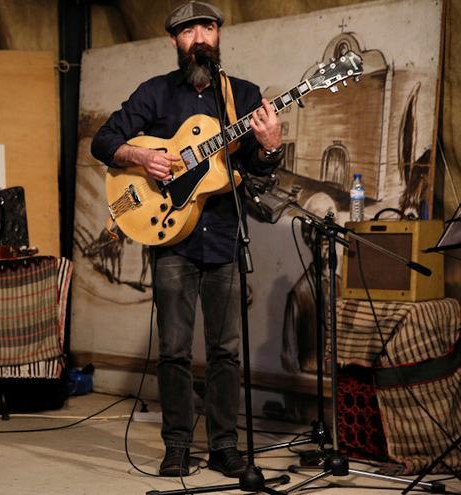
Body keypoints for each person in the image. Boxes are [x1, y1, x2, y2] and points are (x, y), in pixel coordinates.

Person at [90, 1, 284, 479]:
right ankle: (176, 444)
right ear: (175, 41)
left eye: (208, 27)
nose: (199, 36)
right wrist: (140, 155)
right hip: (170, 238)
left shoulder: (243, 95)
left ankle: (223, 446)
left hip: (222, 235)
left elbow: (256, 171)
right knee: (174, 350)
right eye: (188, 30)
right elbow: (103, 141)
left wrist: (271, 145)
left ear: (218, 35)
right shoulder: (154, 94)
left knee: (225, 351)